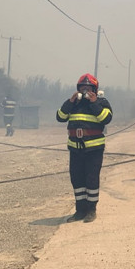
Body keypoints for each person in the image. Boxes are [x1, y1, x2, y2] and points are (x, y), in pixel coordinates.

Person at [56, 73, 113, 223]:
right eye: (82, 87)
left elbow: (106, 119)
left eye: (88, 88)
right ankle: (79, 210)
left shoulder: (102, 102)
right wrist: (70, 102)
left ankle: (91, 210)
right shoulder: (74, 103)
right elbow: (60, 117)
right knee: (77, 179)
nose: (85, 90)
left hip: (94, 149)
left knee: (91, 179)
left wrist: (94, 103)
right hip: (75, 148)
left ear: (94, 89)